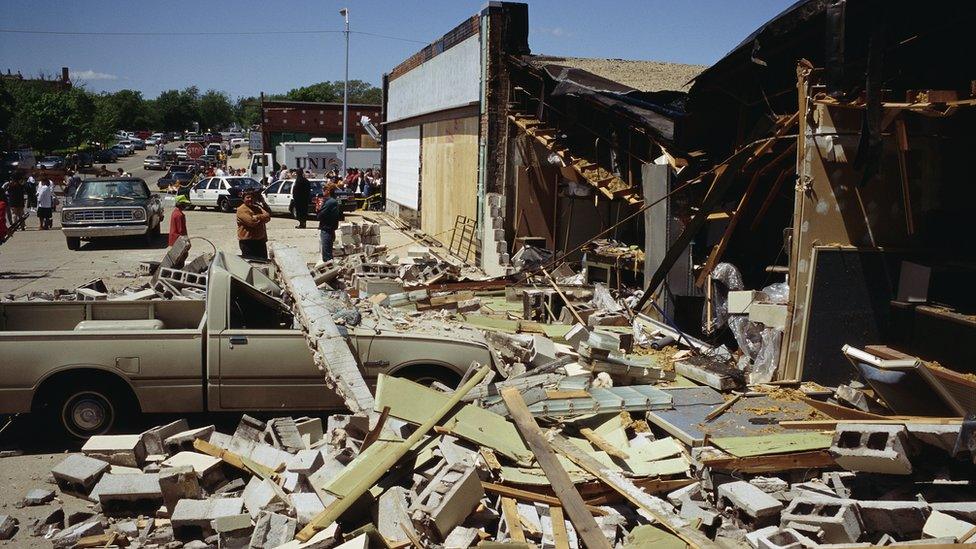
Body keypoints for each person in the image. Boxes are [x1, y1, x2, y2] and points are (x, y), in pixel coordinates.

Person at [236, 188, 271, 259]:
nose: (250, 199)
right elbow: (252, 222)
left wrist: (257, 216)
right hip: (248, 242)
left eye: (252, 197)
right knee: (252, 264)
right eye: (248, 197)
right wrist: (261, 218)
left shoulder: (256, 208)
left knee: (263, 263)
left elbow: (268, 216)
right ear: (243, 199)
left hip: (260, 241)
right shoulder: (241, 209)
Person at [317, 183, 343, 262]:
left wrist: (319, 208)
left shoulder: (330, 202)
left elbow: (320, 216)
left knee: (327, 256)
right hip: (331, 229)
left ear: (328, 191)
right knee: (328, 252)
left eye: (324, 190)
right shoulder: (334, 201)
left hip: (327, 230)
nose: (323, 191)